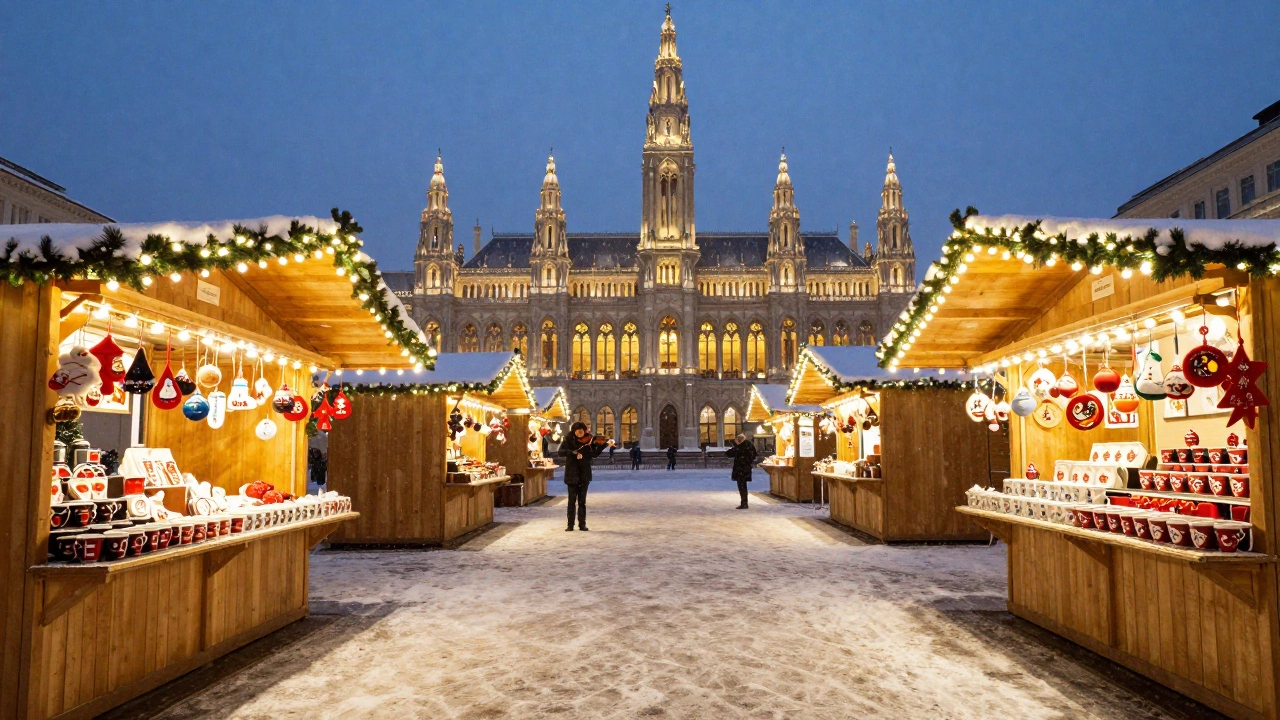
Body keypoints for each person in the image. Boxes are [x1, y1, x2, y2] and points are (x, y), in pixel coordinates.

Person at [558, 422, 613, 531]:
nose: (579, 434)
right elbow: (560, 452)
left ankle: (582, 524)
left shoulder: (589, 440)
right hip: (572, 474)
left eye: (581, 432)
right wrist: (573, 453)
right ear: (574, 431)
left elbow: (594, 454)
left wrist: (605, 445)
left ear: (584, 431)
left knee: (582, 502)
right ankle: (570, 525)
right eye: (577, 432)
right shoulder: (568, 439)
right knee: (571, 501)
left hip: (584, 474)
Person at [725, 433, 757, 509]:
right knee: (743, 485)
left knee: (742, 486)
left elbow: (729, 453)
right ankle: (744, 502)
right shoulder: (749, 445)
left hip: (741, 469)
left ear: (739, 440)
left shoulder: (741, 447)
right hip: (746, 468)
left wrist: (736, 446)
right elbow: (754, 455)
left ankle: (744, 503)